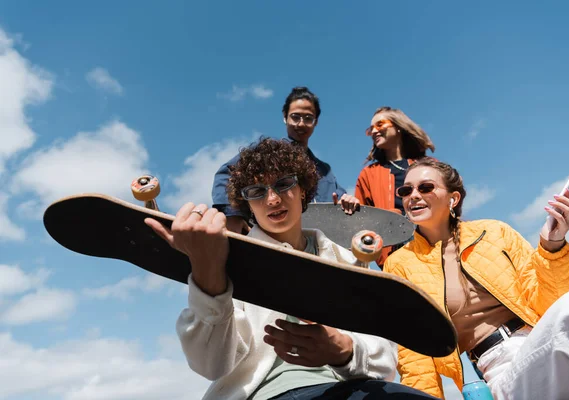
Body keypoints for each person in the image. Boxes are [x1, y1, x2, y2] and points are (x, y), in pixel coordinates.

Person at [145, 138, 437, 400]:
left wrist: (345, 349)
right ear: (247, 204)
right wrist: (208, 274)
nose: (272, 199)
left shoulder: (345, 258)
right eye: (257, 191)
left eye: (283, 184)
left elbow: (385, 358)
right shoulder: (232, 261)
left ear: (303, 189)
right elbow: (210, 364)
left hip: (352, 387)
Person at [383, 158, 569, 400]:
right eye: (406, 190)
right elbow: (414, 353)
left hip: (546, 344)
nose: (413, 195)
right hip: (502, 369)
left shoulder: (495, 232)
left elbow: (552, 302)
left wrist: (552, 246)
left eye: (425, 187)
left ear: (453, 199)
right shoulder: (400, 264)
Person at [212, 86, 358, 235]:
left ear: (316, 121)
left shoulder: (325, 171)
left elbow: (340, 199)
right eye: (295, 116)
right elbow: (225, 175)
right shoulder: (266, 152)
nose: (301, 123)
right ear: (285, 117)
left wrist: (348, 202)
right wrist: (233, 215)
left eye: (308, 118)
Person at [354, 106, 435, 267]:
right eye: (371, 129)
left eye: (380, 124)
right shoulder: (368, 174)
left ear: (398, 126)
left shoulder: (429, 166)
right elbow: (361, 221)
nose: (374, 131)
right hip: (394, 256)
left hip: (434, 247)